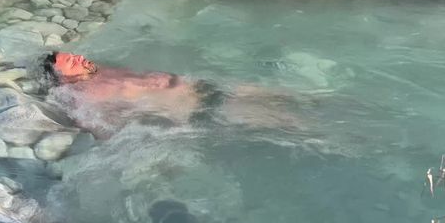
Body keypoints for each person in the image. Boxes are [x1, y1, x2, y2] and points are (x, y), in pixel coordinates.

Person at [42, 51, 304, 139]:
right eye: (71, 61)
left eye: (73, 54)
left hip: (207, 86)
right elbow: (92, 124)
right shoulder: (78, 93)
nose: (78, 57)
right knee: (296, 124)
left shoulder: (103, 69)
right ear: (62, 76)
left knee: (300, 98)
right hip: (203, 110)